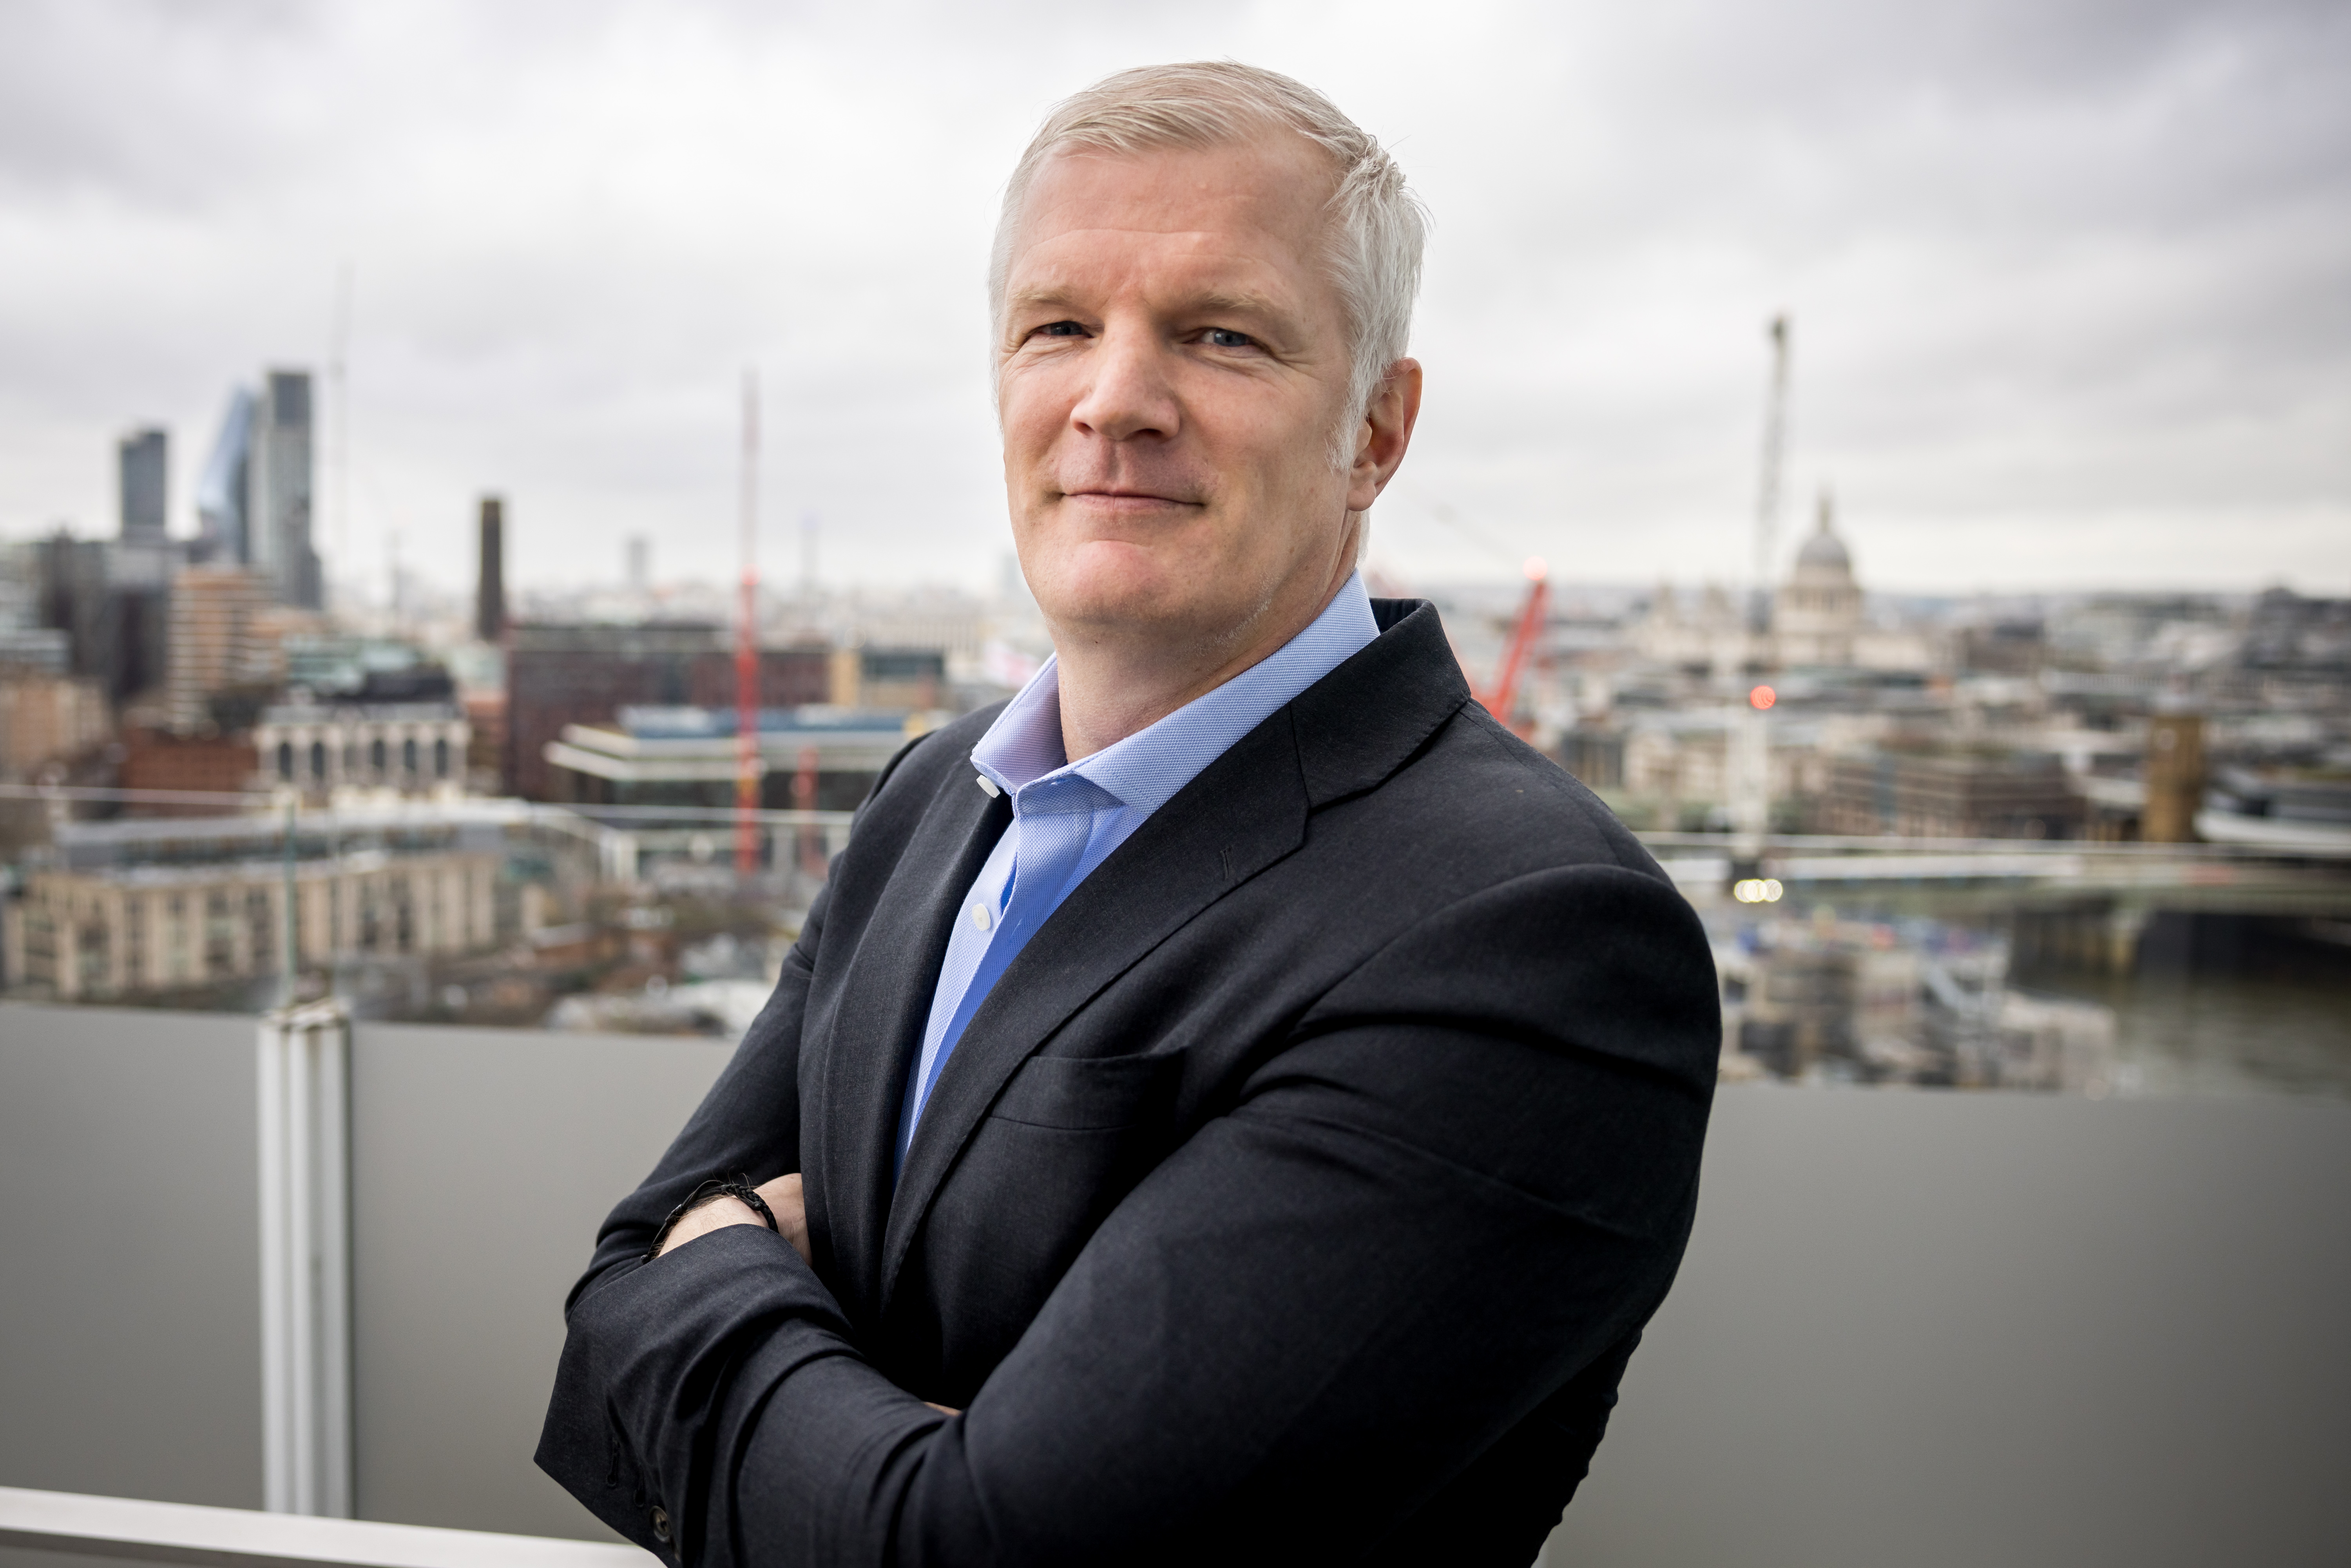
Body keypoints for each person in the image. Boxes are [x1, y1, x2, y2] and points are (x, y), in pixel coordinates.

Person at [537, 61, 1718, 1568]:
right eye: (1058, 329)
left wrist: (723, 1274)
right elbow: (607, 1299)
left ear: (1375, 430)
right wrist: (803, 1379)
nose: (1114, 402)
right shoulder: (931, 797)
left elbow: (977, 1549)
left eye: (1221, 335)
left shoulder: (1530, 940)